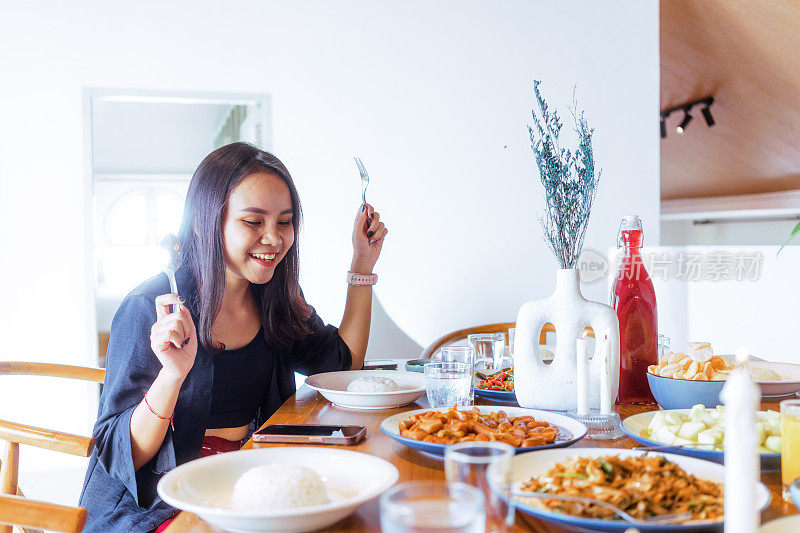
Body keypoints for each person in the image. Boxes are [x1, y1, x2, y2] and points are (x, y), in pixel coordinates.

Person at [79, 143, 387, 532]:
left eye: (285, 222)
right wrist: (171, 376)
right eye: (253, 222)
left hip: (245, 479)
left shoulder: (275, 299)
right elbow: (120, 455)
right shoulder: (151, 307)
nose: (274, 239)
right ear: (205, 221)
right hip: (153, 504)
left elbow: (342, 363)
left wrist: (362, 263)